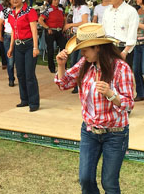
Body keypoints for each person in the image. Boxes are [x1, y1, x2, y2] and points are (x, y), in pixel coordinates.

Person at [55, 23, 134, 194]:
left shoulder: (121, 68)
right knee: (85, 179)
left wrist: (111, 94)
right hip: (89, 131)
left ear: (97, 47)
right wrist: (61, 65)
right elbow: (64, 83)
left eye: (84, 49)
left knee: (109, 183)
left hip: (115, 133)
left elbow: (129, 103)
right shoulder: (85, 63)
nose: (81, 53)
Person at [7, 0, 40, 112]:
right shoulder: (11, 13)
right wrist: (10, 48)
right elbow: (13, 33)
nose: (14, 0)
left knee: (29, 74)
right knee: (20, 74)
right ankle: (24, 99)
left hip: (29, 44)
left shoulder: (29, 11)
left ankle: (34, 102)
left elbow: (34, 30)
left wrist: (35, 47)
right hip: (18, 45)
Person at [101, 0, 139, 68]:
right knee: (107, 75)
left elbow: (132, 33)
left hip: (123, 48)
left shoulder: (131, 11)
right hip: (108, 47)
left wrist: (125, 52)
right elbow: (103, 30)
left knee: (122, 76)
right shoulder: (107, 11)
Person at [63, 0, 90, 94]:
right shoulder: (75, 8)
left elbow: (84, 22)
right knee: (73, 60)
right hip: (76, 35)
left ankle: (80, 84)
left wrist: (70, 25)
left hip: (82, 37)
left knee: (80, 61)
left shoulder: (84, 8)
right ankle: (76, 84)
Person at [38, 0, 66, 73]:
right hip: (51, 31)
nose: (56, 1)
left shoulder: (61, 9)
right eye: (54, 0)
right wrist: (47, 28)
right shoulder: (48, 10)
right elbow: (40, 20)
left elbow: (64, 18)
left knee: (64, 48)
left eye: (57, 0)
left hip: (59, 31)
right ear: (51, 1)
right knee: (50, 50)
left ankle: (63, 66)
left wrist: (64, 26)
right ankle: (52, 68)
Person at [0, 0, 15, 87]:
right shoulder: (4, 12)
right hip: (8, 35)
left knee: (19, 59)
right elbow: (0, 24)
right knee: (10, 60)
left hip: (18, 36)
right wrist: (0, 34)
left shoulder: (20, 10)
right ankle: (11, 78)